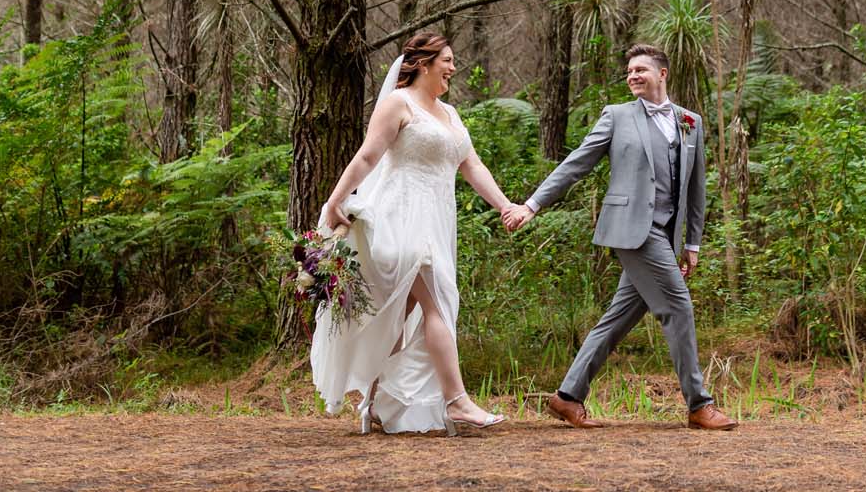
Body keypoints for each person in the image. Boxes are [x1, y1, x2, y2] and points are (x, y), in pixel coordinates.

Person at [503, 43, 737, 431]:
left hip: (667, 233)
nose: (632, 76)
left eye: (641, 70)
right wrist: (532, 204)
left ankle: (566, 397)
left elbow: (697, 189)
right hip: (632, 231)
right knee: (678, 306)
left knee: (618, 319)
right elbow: (576, 163)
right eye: (629, 71)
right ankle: (699, 404)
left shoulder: (690, 121)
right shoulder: (616, 116)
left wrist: (692, 242)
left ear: (662, 74)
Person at [312, 32, 518, 435]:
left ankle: (370, 404)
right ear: (423, 63)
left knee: (402, 313)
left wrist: (505, 205)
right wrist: (335, 200)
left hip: (437, 220)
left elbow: (471, 165)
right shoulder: (397, 104)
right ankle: (458, 402)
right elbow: (369, 154)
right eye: (447, 60)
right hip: (400, 216)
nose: (453, 68)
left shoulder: (450, 114)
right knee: (438, 303)